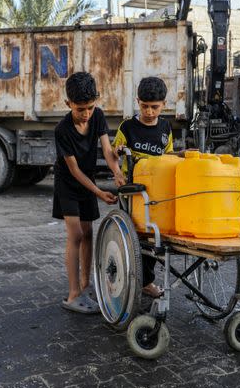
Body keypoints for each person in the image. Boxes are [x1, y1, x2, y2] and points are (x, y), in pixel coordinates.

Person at [53, 72, 125, 314]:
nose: (86, 114)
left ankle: (86, 285)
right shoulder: (62, 129)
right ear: (68, 104)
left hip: (88, 180)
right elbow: (72, 170)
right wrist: (99, 192)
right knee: (74, 235)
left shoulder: (98, 116)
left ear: (97, 100)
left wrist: (116, 172)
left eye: (90, 107)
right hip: (69, 184)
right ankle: (73, 295)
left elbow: (107, 149)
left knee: (88, 232)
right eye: (80, 109)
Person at [112, 76, 173, 298]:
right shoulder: (127, 127)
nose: (149, 112)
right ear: (138, 101)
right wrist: (118, 154)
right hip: (134, 191)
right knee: (137, 236)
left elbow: (168, 157)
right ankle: (138, 279)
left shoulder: (166, 128)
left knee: (154, 237)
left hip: (158, 192)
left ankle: (146, 279)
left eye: (154, 107)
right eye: (144, 106)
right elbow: (114, 150)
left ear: (164, 104)